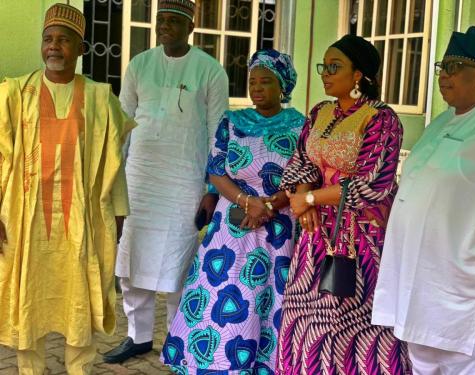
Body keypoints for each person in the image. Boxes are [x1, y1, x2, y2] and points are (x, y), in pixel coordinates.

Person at [0, 3, 134, 374]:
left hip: (83, 219)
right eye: (48, 39)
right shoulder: (14, 94)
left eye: (64, 40)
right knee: (29, 299)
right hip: (24, 219)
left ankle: (79, 369)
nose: (54, 47)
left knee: (79, 297)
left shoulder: (99, 98)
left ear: (80, 48)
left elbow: (114, 164)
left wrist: (119, 213)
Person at [161, 49, 304, 374]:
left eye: (266, 81)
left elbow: (303, 177)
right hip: (231, 228)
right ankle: (216, 363)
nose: (256, 88)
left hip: (276, 230)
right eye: (252, 81)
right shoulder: (233, 121)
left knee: (265, 298)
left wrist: (269, 204)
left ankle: (263, 365)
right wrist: (246, 201)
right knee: (222, 292)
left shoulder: (300, 127)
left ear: (282, 86)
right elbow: (215, 171)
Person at [276, 35, 412, 374]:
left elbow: (372, 182)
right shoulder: (320, 113)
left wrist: (307, 198)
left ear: (358, 75)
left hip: (362, 238)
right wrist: (305, 202)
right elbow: (303, 161)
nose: (325, 73)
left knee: (357, 320)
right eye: (324, 65)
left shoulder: (381, 119)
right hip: (316, 235)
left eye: (334, 66)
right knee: (307, 314)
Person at [103, 0, 229, 364]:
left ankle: (178, 339)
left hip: (184, 180)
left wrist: (211, 189)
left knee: (179, 261)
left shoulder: (210, 71)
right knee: (132, 258)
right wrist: (114, 180)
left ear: (190, 27)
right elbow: (122, 124)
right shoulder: (140, 65)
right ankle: (138, 337)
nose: (165, 26)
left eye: (174, 21)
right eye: (161, 20)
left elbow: (219, 134)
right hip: (139, 179)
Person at [372, 26, 475, 375]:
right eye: (443, 66)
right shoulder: (444, 119)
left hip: (460, 279)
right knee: (424, 361)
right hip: (420, 280)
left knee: (462, 365)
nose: (444, 75)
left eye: (456, 67)